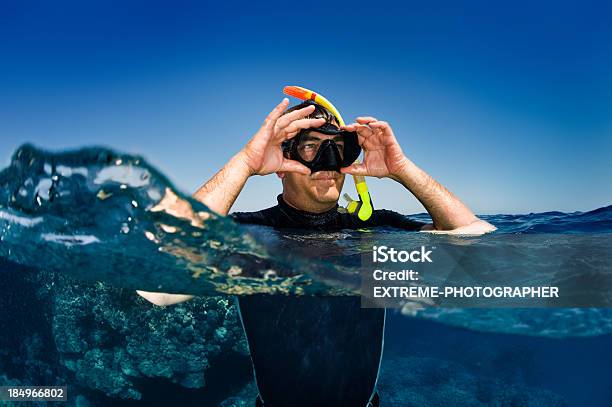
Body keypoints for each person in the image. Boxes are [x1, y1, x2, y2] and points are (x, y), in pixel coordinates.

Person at [137, 97, 495, 406]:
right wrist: (245, 162)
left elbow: (480, 249)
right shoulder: (248, 233)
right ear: (282, 159)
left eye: (338, 149)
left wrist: (404, 170)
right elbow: (156, 285)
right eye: (311, 147)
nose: (328, 163)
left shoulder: (377, 229)